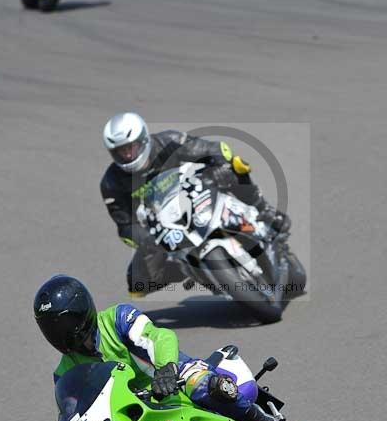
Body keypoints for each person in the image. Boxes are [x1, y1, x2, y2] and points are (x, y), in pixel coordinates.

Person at [34, 274, 300, 421]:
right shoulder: (64, 371)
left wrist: (165, 370)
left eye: (66, 325)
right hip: (135, 413)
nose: (61, 335)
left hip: (174, 377)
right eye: (52, 330)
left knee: (204, 386)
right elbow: (72, 409)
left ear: (84, 312)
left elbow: (159, 337)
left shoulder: (116, 319)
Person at [100, 112, 290, 296]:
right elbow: (125, 226)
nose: (126, 155)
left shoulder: (168, 141)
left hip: (197, 192)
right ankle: (188, 269)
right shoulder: (111, 183)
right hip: (162, 228)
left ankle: (263, 210)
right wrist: (148, 240)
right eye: (120, 151)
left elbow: (211, 148)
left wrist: (220, 165)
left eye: (130, 147)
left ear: (143, 140)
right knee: (136, 283)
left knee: (236, 166)